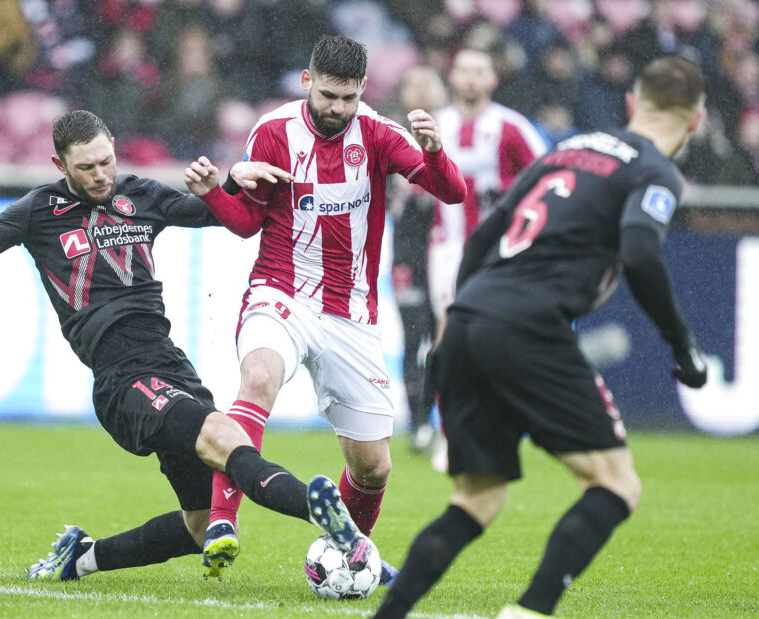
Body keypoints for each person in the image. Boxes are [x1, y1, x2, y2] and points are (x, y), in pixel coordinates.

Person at [0, 110, 361, 584]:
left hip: (170, 366)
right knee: (224, 436)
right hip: (121, 380)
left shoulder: (140, 194)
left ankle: (80, 560)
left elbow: (205, 213)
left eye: (105, 162)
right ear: (59, 166)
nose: (100, 176)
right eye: (85, 167)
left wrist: (232, 183)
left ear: (114, 149)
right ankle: (324, 515)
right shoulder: (38, 213)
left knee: (197, 526)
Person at [371, 55, 710, 619]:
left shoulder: (567, 150)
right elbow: (642, 251)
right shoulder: (655, 171)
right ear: (695, 121)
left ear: (630, 104)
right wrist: (682, 346)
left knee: (476, 502)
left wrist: (464, 313)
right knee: (615, 486)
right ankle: (529, 611)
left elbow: (489, 231)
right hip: (530, 326)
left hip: (470, 315)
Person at [183, 34, 467, 580]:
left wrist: (433, 151)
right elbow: (246, 224)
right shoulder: (272, 133)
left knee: (373, 466)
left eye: (348, 98)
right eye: (328, 95)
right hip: (280, 291)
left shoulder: (380, 135)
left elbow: (450, 192)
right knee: (258, 380)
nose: (337, 108)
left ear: (363, 89)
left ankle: (347, 555)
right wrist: (214, 193)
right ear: (308, 81)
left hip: (350, 311)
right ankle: (223, 522)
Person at [427, 47, 548, 471]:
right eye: (464, 70)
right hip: (448, 248)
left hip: (501, 251)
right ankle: (449, 436)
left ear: (493, 78)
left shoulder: (512, 128)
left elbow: (548, 180)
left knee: (498, 340)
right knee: (449, 339)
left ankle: (496, 430)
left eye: (480, 71)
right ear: (453, 75)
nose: (472, 79)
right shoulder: (434, 124)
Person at [386, 65, 449, 453]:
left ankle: (448, 419)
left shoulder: (455, 133)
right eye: (414, 82)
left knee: (449, 339)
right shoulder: (389, 133)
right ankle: (419, 425)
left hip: (449, 250)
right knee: (415, 338)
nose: (422, 90)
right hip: (408, 252)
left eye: (429, 82)